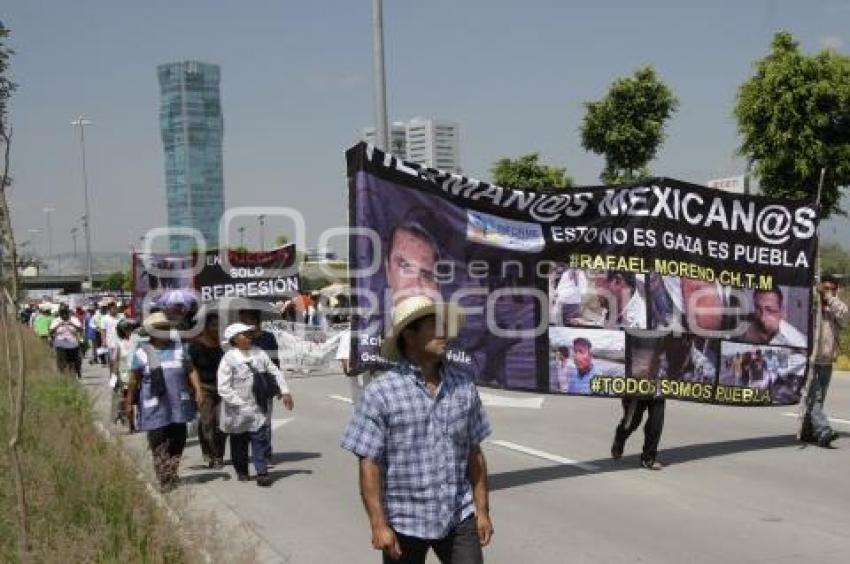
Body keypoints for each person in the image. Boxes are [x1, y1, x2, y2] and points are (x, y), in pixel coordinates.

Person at [341, 296, 493, 563]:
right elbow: (369, 463)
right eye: (435, 325)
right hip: (404, 522)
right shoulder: (381, 392)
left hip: (459, 516)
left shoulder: (463, 385)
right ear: (409, 335)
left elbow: (474, 452)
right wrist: (378, 524)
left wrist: (482, 510)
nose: (445, 333)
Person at [125, 312, 199, 492]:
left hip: (177, 404)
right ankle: (164, 477)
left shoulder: (179, 348)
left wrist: (198, 390)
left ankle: (171, 471)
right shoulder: (142, 353)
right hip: (154, 406)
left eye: (166, 328)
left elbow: (191, 370)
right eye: (159, 328)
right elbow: (134, 379)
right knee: (158, 441)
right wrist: (129, 402)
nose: (164, 331)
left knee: (178, 439)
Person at [218, 323, 294, 486]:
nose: (248, 337)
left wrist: (285, 391)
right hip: (237, 409)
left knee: (259, 439)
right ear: (234, 339)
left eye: (249, 334)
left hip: (258, 405)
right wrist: (240, 404)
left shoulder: (259, 353)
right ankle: (242, 470)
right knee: (239, 441)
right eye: (244, 334)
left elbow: (274, 371)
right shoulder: (229, 358)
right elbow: (223, 388)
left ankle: (262, 472)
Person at [800, 275, 848, 448]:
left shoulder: (835, 308)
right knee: (815, 397)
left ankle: (807, 431)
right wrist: (816, 293)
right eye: (825, 288)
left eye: (832, 289)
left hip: (827, 361)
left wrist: (830, 298)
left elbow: (844, 315)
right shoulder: (813, 306)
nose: (828, 292)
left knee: (817, 400)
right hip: (811, 361)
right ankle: (823, 431)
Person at [238, 308, 280, 461]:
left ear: (256, 321)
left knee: (265, 421)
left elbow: (276, 362)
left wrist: (278, 386)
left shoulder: (269, 338)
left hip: (264, 386)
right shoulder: (239, 339)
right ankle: (250, 453)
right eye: (241, 320)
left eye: (245, 320)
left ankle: (264, 453)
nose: (242, 324)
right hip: (244, 387)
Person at [188, 312, 227, 468]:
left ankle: (219, 454)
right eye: (213, 325)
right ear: (205, 328)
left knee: (222, 423)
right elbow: (190, 369)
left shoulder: (223, 346)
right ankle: (209, 454)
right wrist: (195, 390)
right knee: (207, 422)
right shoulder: (196, 346)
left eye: (219, 325)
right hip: (203, 388)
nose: (217, 328)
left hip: (222, 388)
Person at [49, 304, 82, 378]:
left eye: (65, 313)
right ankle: (63, 376)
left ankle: (76, 371)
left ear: (68, 312)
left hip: (73, 343)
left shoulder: (74, 319)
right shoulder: (56, 320)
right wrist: (58, 325)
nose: (64, 315)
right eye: (62, 313)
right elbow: (50, 331)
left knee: (75, 361)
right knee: (62, 362)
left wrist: (72, 324)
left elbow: (80, 329)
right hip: (61, 343)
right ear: (60, 313)